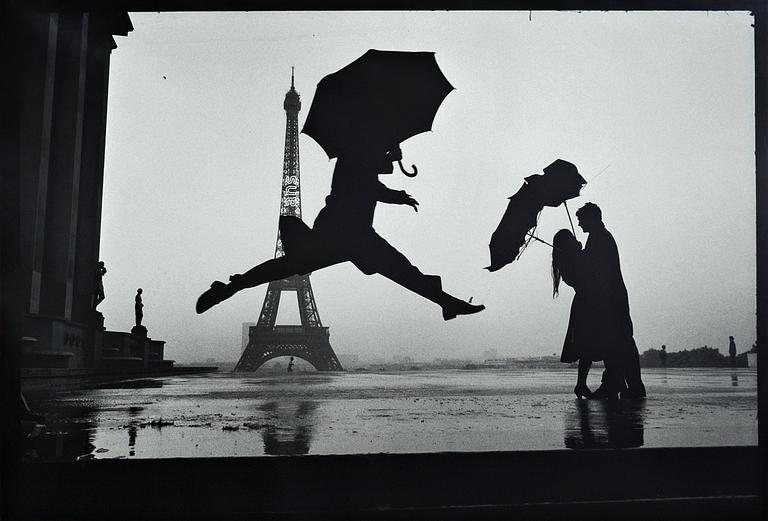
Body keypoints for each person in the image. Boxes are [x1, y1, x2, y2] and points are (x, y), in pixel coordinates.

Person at [196, 145, 484, 321]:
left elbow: (374, 176)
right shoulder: (356, 157)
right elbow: (370, 182)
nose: (385, 156)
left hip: (343, 234)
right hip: (348, 234)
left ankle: (231, 287)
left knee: (289, 266)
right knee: (401, 270)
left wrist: (392, 166)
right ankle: (446, 302)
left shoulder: (357, 155)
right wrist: (397, 190)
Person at [576, 202, 646, 400]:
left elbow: (594, 270)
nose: (579, 225)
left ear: (591, 218)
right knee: (620, 342)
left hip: (609, 300)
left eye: (581, 220)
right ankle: (625, 384)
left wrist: (578, 256)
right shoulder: (601, 237)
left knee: (615, 342)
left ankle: (617, 384)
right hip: (613, 298)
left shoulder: (599, 238)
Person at [551, 229, 602, 399]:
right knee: (590, 345)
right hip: (588, 304)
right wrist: (582, 254)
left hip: (584, 304)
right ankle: (581, 384)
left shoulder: (566, 262)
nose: (575, 240)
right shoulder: (570, 262)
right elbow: (588, 275)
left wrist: (580, 254)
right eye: (572, 239)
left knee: (587, 346)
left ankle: (581, 384)